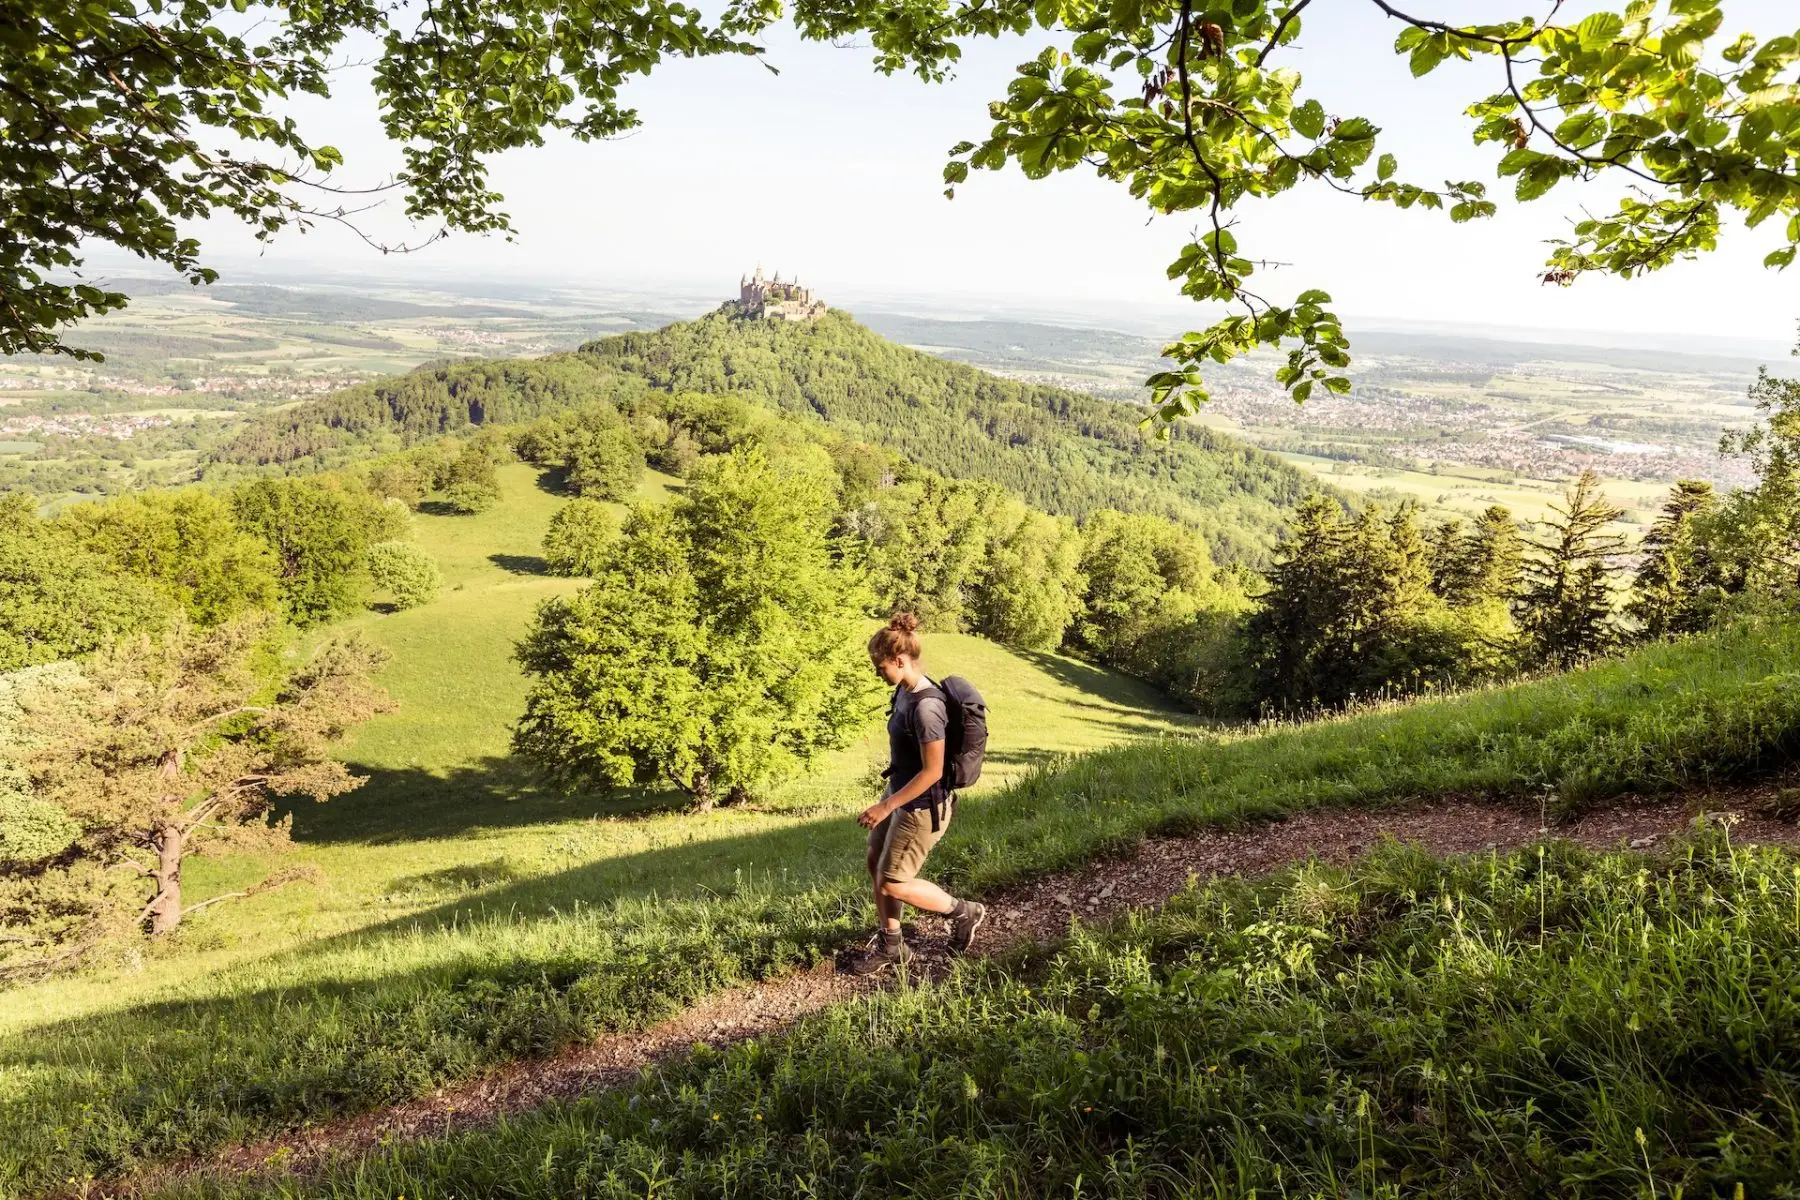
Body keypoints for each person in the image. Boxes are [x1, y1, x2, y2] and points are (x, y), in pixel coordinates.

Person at [851, 612, 986, 974]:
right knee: (874, 858)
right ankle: (892, 945)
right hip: (899, 795)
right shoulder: (905, 690)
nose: (877, 673)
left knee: (894, 883)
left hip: (921, 808)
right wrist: (889, 799)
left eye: (880, 667)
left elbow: (933, 771)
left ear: (899, 661)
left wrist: (885, 806)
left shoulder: (927, 708)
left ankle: (964, 912)